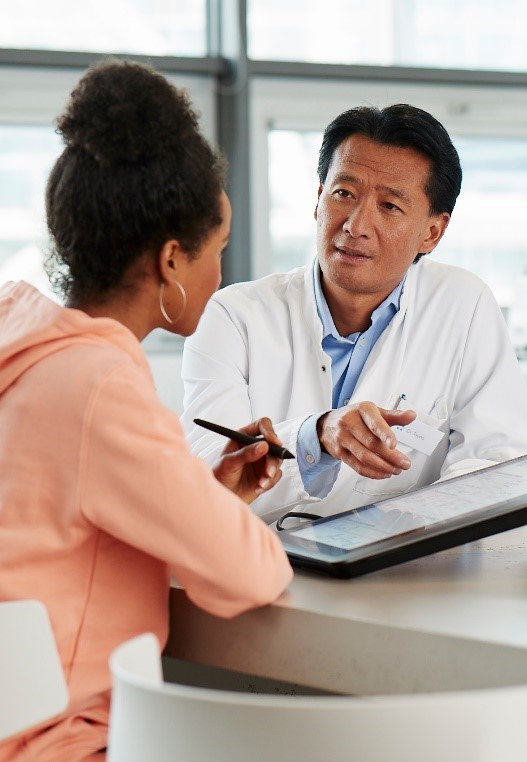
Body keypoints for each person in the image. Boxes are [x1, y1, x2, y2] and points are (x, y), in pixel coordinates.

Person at [0, 61, 293, 761]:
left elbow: (59, 523)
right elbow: (251, 575)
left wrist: (201, 495)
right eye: (217, 251)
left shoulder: (22, 342)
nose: (222, 276)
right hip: (62, 742)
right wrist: (217, 514)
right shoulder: (99, 387)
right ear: (170, 261)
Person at [181, 104, 527, 525]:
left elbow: (500, 463)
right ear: (318, 200)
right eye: (344, 194)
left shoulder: (464, 305)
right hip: (265, 567)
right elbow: (208, 474)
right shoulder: (232, 318)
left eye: (389, 206)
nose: (356, 225)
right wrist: (316, 435)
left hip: (409, 571)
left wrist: (405, 531)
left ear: (432, 232)